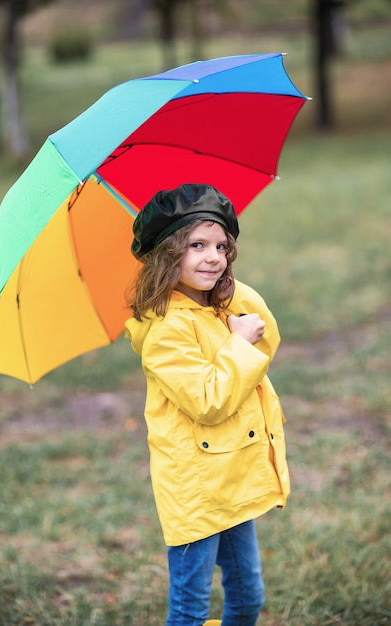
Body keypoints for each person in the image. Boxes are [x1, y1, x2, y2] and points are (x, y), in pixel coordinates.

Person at [125, 183, 290, 626]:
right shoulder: (165, 332)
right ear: (166, 255)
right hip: (196, 493)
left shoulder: (214, 309)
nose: (213, 257)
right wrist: (238, 344)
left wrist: (231, 302)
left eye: (221, 246)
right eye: (196, 245)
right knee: (190, 610)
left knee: (248, 596)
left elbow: (266, 343)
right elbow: (208, 401)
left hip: (231, 480)